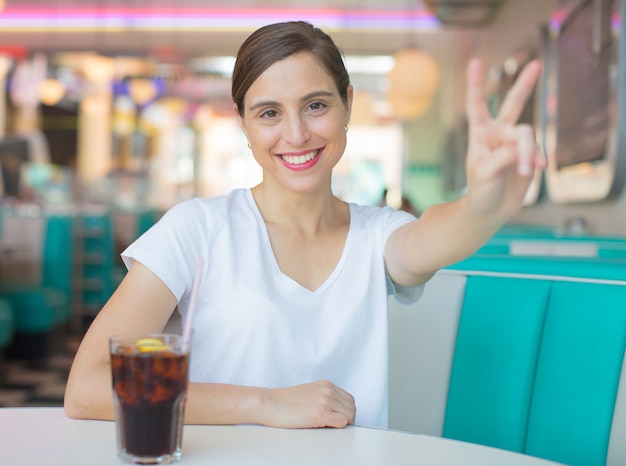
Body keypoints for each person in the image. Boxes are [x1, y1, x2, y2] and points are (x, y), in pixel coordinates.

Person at [64, 21, 545, 429]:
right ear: (244, 123)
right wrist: (264, 403)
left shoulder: (376, 236)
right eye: (269, 113)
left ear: (347, 105)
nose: (296, 134)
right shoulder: (197, 228)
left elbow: (431, 238)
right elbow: (87, 386)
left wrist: (484, 203)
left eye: (316, 105)